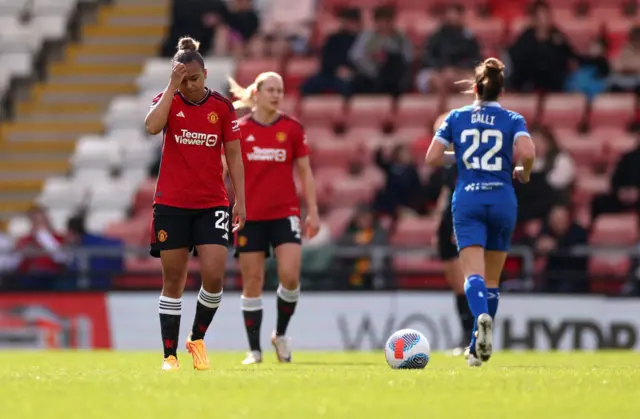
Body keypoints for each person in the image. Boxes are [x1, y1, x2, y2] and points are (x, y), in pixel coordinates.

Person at [425, 58, 536, 367]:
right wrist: (523, 173)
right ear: (501, 90)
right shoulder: (513, 118)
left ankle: (480, 320)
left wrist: (461, 159)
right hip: (502, 199)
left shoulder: (456, 117)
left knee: (471, 274)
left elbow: (432, 157)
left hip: (468, 199)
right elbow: (528, 153)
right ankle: (477, 345)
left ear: (473, 88)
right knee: (492, 279)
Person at [144, 37, 246, 371]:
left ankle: (197, 337)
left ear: (206, 73)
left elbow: (233, 154)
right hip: (171, 204)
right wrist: (171, 86)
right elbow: (150, 126)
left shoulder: (222, 107)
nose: (189, 86)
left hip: (211, 204)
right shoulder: (169, 100)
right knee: (173, 281)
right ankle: (169, 356)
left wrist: (240, 201)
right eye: (183, 79)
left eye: (194, 79)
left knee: (214, 277)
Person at [227, 72, 319, 365]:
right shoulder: (239, 129)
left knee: (290, 275)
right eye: (272, 89)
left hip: (285, 213)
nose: (277, 94)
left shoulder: (292, 128)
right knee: (252, 280)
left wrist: (313, 211)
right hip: (249, 216)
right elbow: (222, 171)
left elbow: (305, 171)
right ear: (257, 92)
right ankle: (254, 350)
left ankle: (280, 334)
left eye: (281, 90)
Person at [430, 113, 474, 354]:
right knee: (456, 282)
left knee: (466, 279)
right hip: (447, 220)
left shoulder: (466, 158)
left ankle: (472, 334)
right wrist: (439, 221)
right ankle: (466, 335)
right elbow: (446, 192)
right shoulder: (449, 160)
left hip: (460, 218)